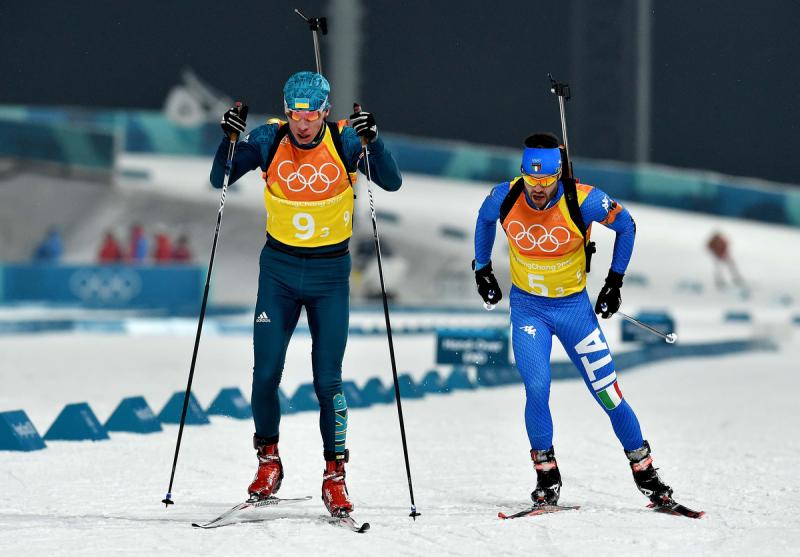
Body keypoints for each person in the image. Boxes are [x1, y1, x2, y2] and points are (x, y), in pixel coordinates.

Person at [210, 71, 402, 517]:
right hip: (278, 274)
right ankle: (268, 462)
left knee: (327, 381)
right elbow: (220, 177)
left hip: (329, 277)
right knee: (265, 375)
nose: (301, 124)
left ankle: (335, 475)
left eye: (311, 116)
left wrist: (374, 142)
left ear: (325, 112)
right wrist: (229, 140)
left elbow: (391, 182)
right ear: (286, 110)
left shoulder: (345, 140)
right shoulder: (269, 138)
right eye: (295, 115)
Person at [472, 133, 678, 509]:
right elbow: (484, 221)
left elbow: (627, 225)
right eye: (531, 179)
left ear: (559, 174)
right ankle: (546, 476)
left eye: (546, 180)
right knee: (537, 388)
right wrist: (482, 269)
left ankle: (646, 473)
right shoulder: (505, 196)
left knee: (608, 393)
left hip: (574, 312)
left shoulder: (584, 199)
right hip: (529, 310)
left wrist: (614, 282)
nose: (537, 188)